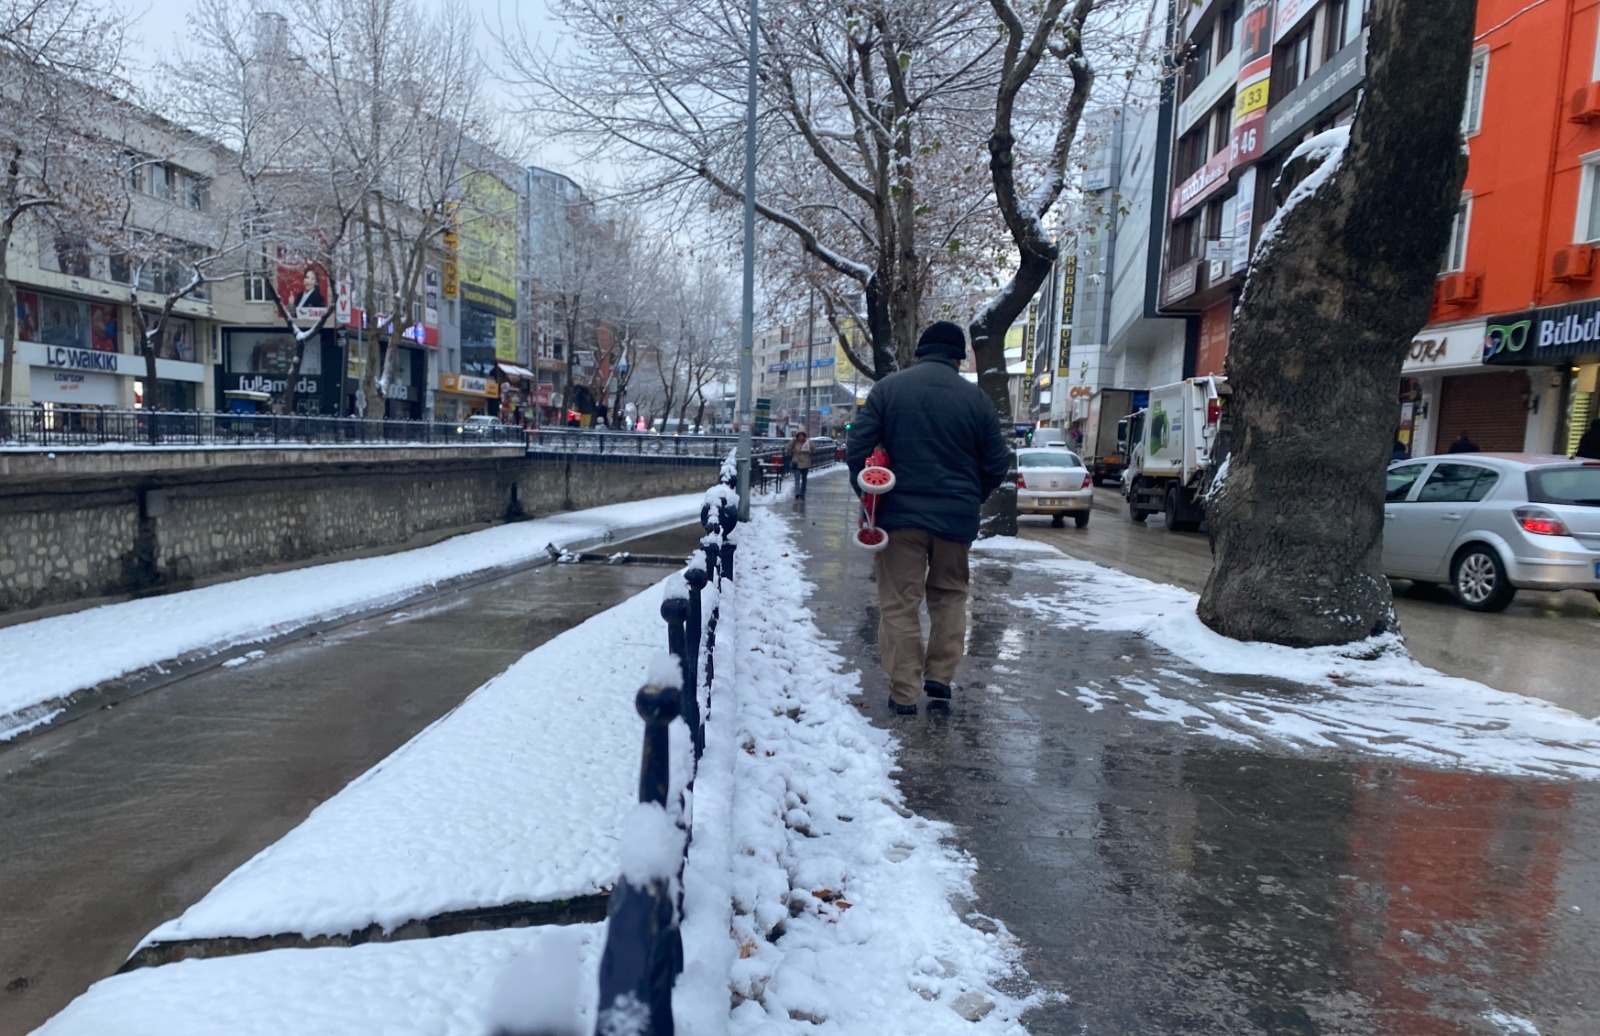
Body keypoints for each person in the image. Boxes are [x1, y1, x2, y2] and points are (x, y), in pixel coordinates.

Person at [846, 320, 1010, 715]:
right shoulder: (976, 400)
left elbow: (857, 447)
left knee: (900, 602)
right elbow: (998, 462)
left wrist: (870, 497)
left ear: (919, 351)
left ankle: (903, 692)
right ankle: (939, 677)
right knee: (950, 595)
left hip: (898, 516)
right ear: (961, 357)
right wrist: (972, 497)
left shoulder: (888, 390)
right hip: (956, 519)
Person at [785, 429, 813, 499]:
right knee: (797, 479)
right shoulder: (795, 442)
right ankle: (797, 493)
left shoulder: (807, 442)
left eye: (802, 436)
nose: (801, 437)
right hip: (796, 462)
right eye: (799, 436)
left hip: (805, 463)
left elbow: (814, 449)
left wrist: (809, 443)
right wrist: (793, 440)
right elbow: (788, 448)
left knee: (804, 479)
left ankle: (802, 493)